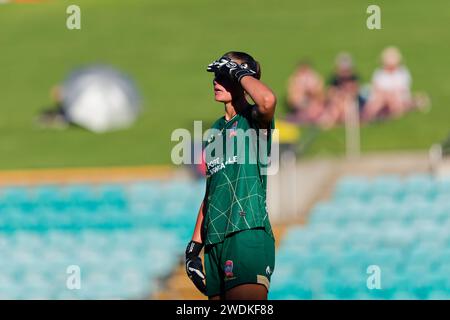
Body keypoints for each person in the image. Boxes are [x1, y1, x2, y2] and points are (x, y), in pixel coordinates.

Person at [185, 52, 276, 300]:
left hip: (246, 232)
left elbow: (268, 100)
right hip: (215, 240)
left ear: (241, 79)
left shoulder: (253, 118)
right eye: (216, 76)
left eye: (223, 76)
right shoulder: (214, 129)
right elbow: (212, 189)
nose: (216, 81)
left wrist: (238, 72)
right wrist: (194, 248)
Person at [362, 46, 414, 121]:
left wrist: (389, 96)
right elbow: (376, 88)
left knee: (395, 102)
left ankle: (389, 117)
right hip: (381, 97)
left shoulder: (402, 73)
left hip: (397, 98)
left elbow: (401, 89)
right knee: (376, 103)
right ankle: (367, 118)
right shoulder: (379, 73)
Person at [321, 52, 365, 128]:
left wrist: (342, 95)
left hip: (351, 104)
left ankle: (327, 124)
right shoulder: (335, 79)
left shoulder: (353, 78)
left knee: (341, 106)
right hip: (338, 103)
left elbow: (354, 93)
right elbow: (329, 93)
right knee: (336, 106)